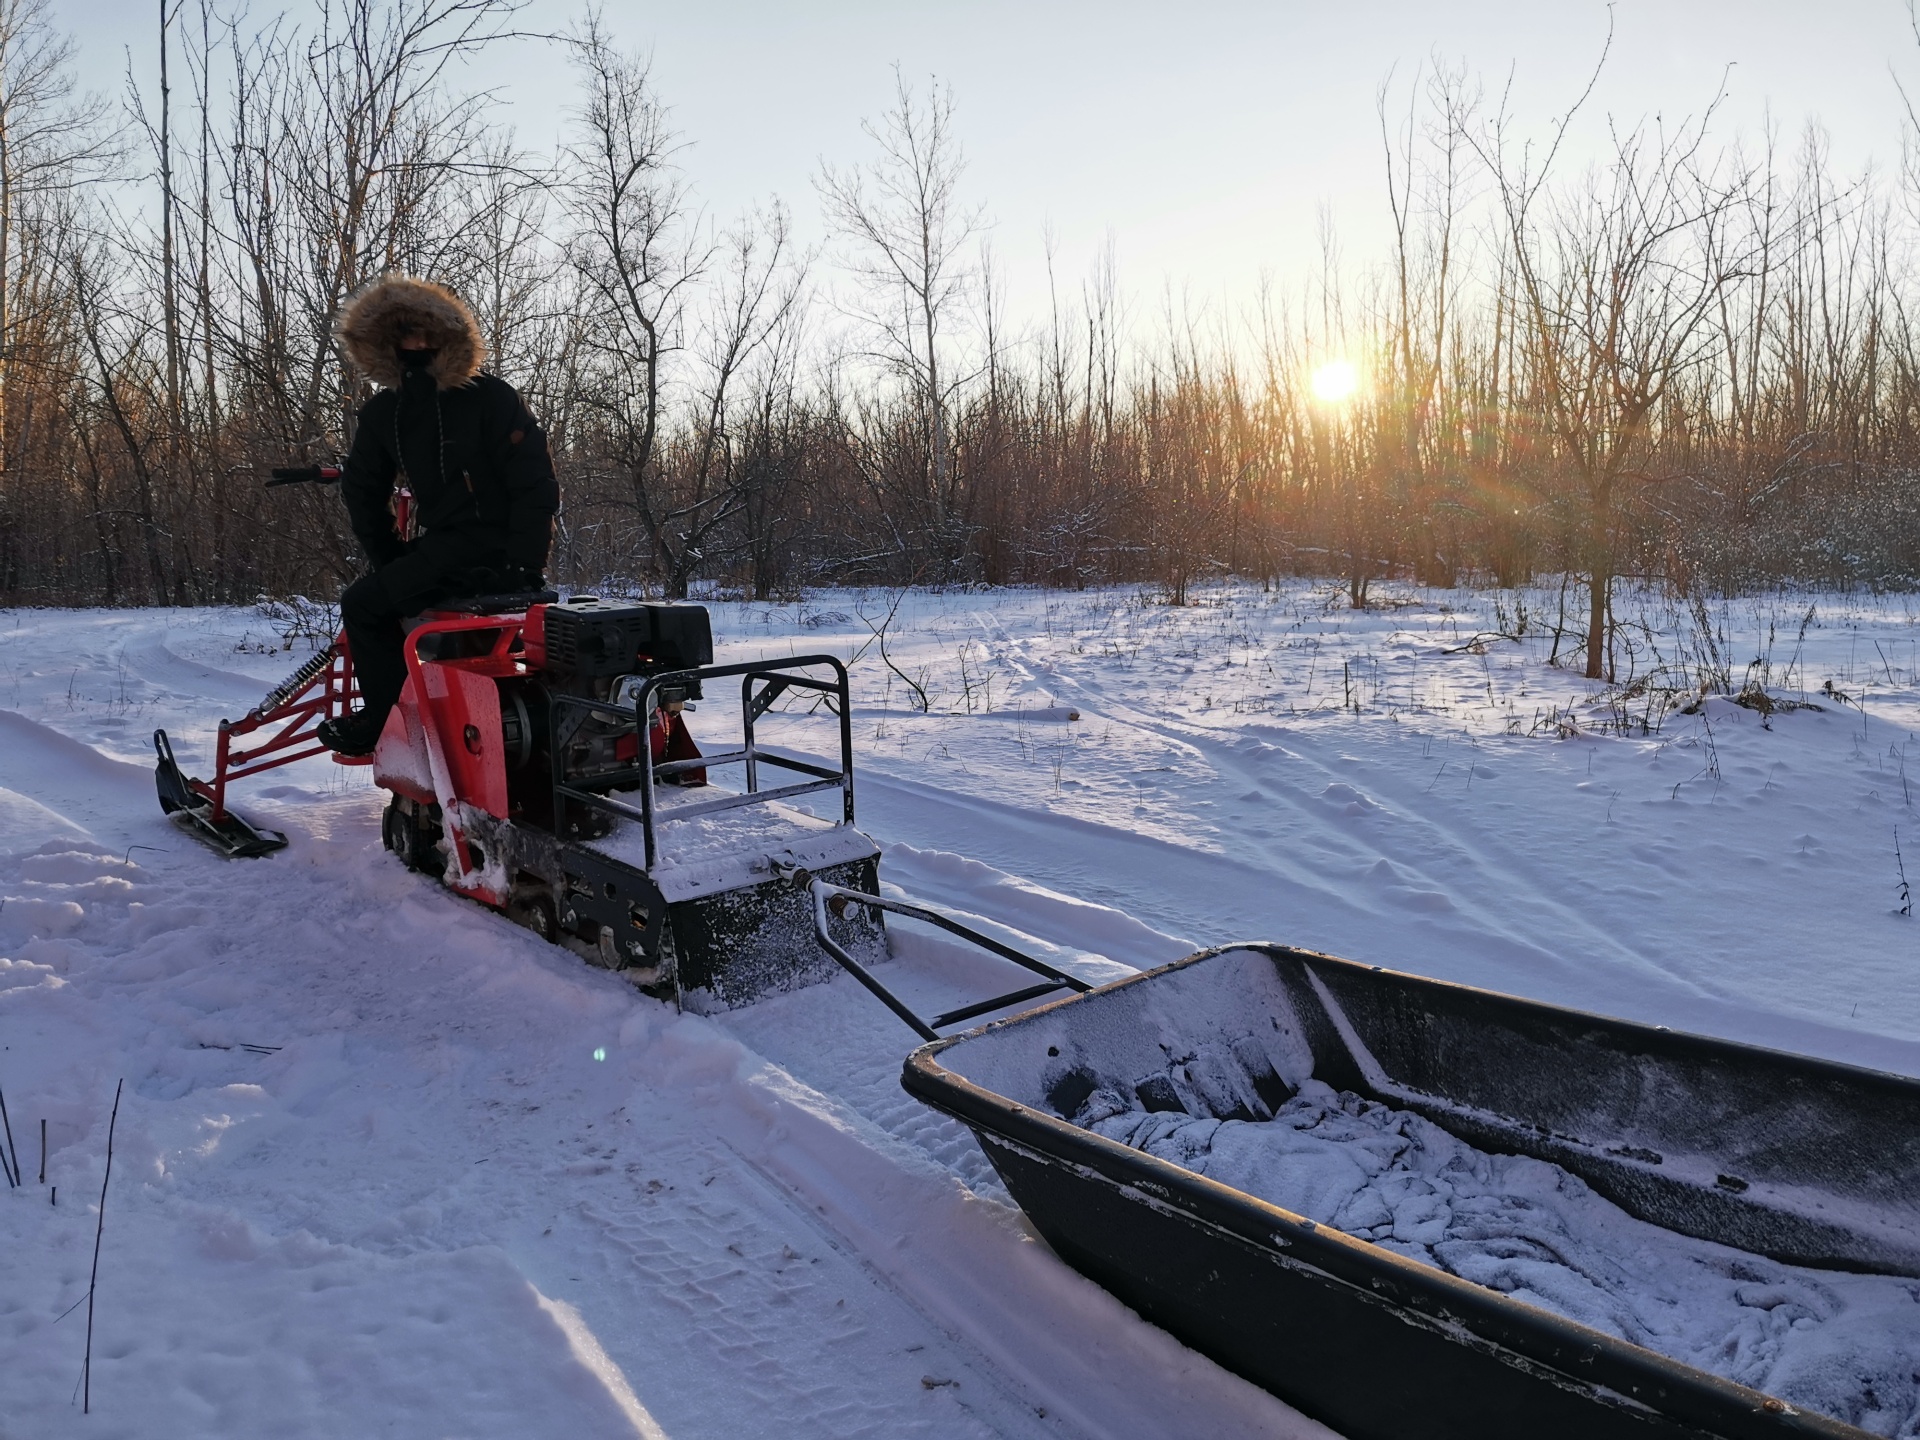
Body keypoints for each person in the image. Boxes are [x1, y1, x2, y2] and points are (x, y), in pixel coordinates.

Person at [317, 276, 559, 756]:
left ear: (449, 336)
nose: (417, 343)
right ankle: (409, 711)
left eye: (426, 332)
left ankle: (388, 724)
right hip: (445, 546)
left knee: (364, 605)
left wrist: (525, 563)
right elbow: (363, 489)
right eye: (405, 333)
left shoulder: (490, 396)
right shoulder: (385, 412)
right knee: (375, 598)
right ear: (386, 342)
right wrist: (387, 554)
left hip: (491, 548)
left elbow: (534, 483)